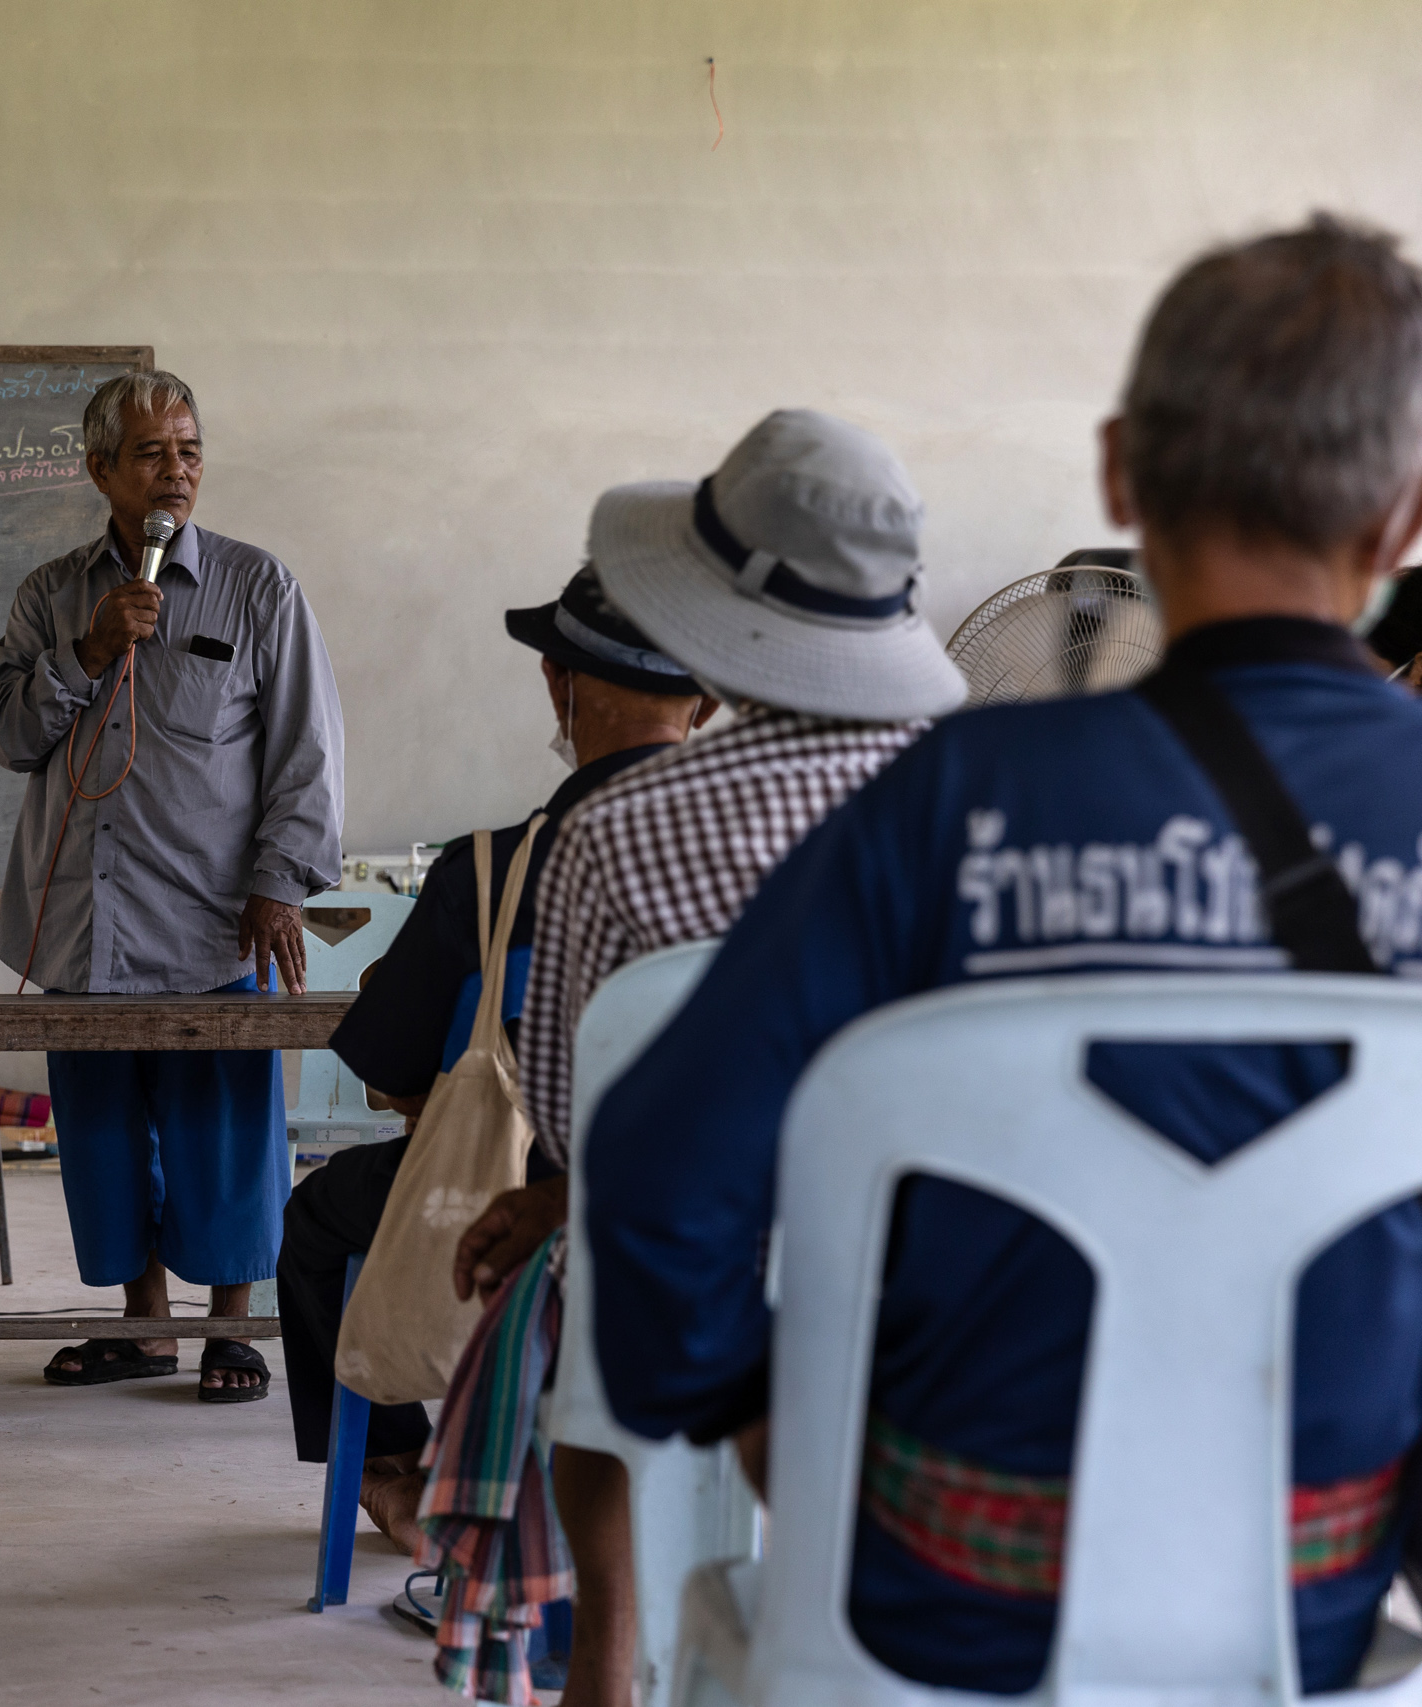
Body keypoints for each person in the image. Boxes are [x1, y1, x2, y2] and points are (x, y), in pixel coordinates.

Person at [585, 216, 1422, 1692]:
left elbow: (661, 1160)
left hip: (944, 1587)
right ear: (1402, 521)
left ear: (1120, 472)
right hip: (1312, 1594)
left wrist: (755, 1406)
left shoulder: (953, 806)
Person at [452, 407, 967, 1707]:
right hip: (933, 1266)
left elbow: (578, 1117)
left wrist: (562, 1187)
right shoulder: (980, 806)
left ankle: (608, 1661)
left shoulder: (619, 826)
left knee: (566, 1276)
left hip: (690, 1273)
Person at [278, 568, 711, 1550]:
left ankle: (395, 1472)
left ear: (557, 685)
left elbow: (390, 1075)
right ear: (711, 702)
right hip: (713, 1210)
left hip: (510, 1205)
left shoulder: (488, 871)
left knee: (315, 1216)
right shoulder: (765, 860)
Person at [0, 369, 345, 1400]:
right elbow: (4, 735)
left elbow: (306, 753)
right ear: (99, 470)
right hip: (80, 921)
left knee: (220, 1125)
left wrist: (279, 884)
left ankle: (233, 1323)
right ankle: (139, 1325)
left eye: (187, 451)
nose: (175, 472)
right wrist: (85, 650)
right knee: (100, 1128)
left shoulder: (257, 586)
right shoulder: (51, 594)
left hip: (210, 922)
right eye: (149, 455)